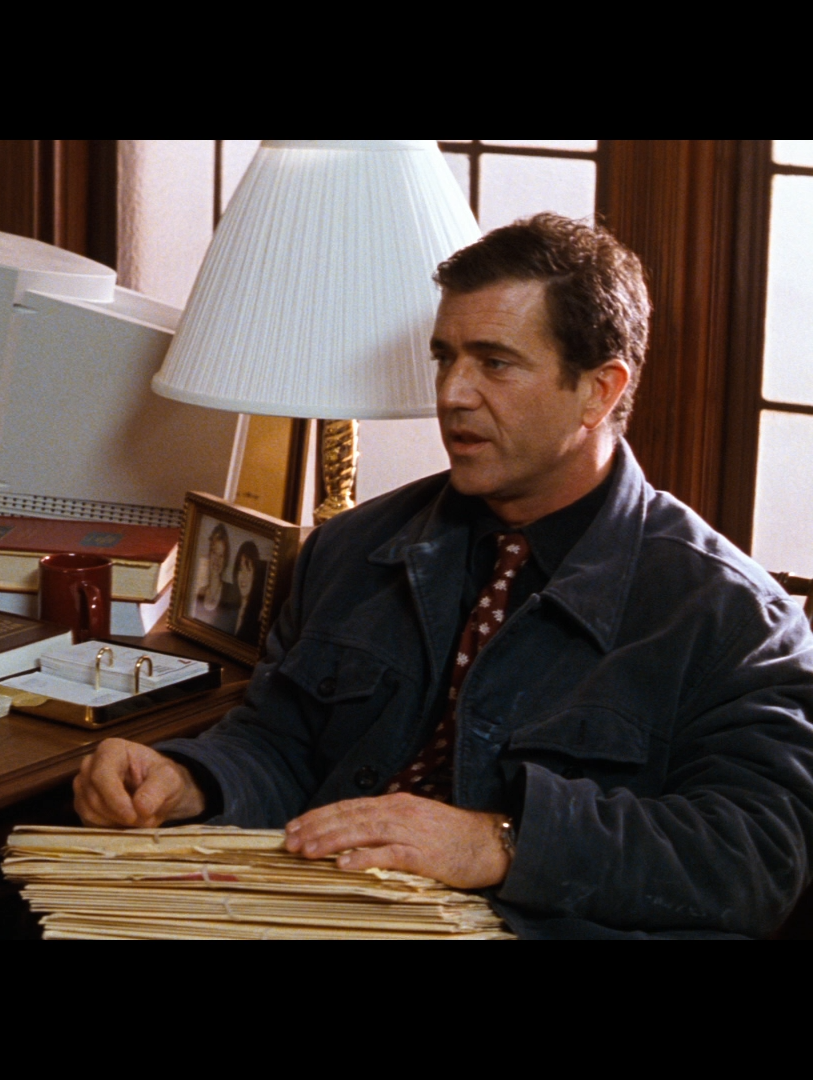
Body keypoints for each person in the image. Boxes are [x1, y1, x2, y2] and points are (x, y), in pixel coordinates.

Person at [74, 214, 813, 938]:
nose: (453, 393)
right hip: (308, 914)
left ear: (600, 391)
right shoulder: (352, 548)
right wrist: (189, 779)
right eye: (445, 357)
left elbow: (757, 856)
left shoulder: (732, 615)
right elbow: (278, 743)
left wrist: (503, 841)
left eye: (495, 363)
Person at [191, 524, 240, 633]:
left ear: (225, 559)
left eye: (221, 555)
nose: (217, 560)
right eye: (214, 553)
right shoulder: (200, 592)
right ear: (209, 554)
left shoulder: (232, 592)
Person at [230, 541, 268, 646]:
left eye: (248, 569)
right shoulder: (229, 605)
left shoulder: (260, 614)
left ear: (255, 574)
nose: (243, 576)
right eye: (240, 569)